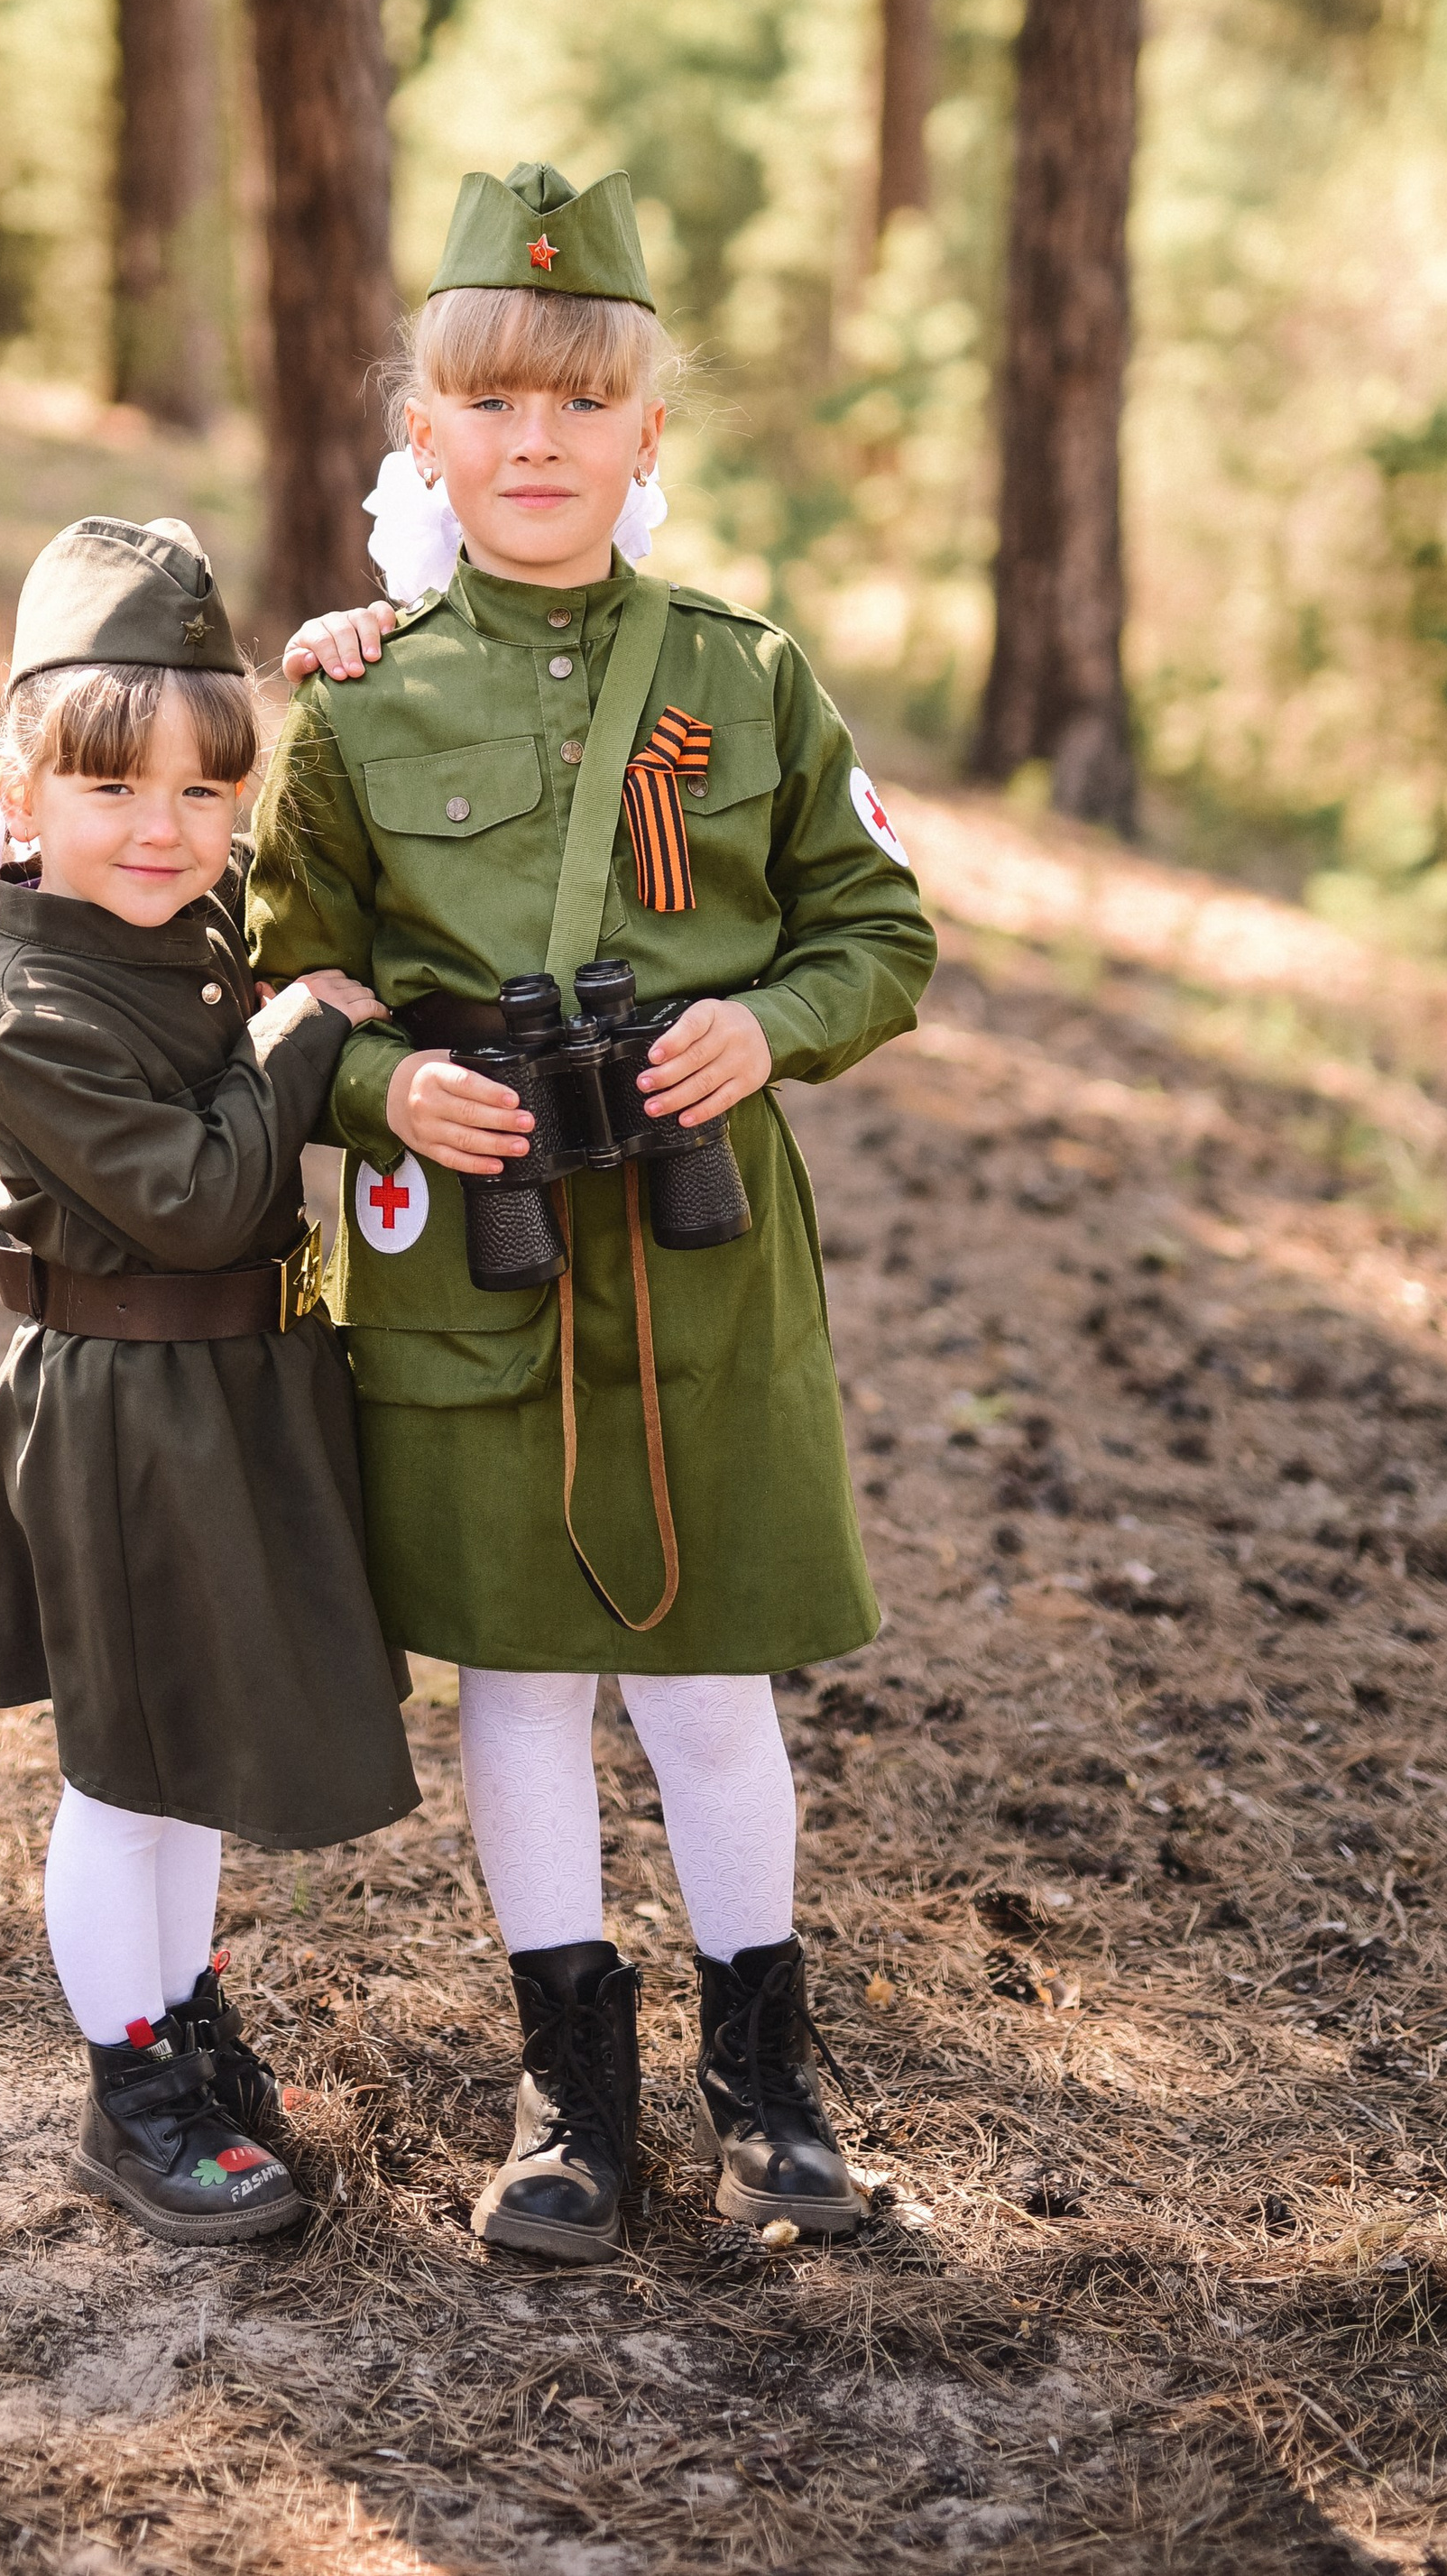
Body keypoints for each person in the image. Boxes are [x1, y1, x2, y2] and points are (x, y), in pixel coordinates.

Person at [251, 161, 936, 2263]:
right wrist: (385, 1079)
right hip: (467, 1256)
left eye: (577, 406)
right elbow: (276, 974)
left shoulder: (748, 675)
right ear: (423, 435)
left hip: (708, 1255)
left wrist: (771, 1028)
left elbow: (877, 928)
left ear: (647, 434)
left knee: (710, 1681)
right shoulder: (356, 703)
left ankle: (771, 2086)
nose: (532, 443)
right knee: (518, 1684)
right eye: (488, 404)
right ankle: (568, 2096)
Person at [0, 513, 419, 2247]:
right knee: (126, 1764)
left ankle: (183, 2015)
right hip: (126, 1412)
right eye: (118, 792)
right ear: (25, 794)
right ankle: (130, 2088)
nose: (166, 831)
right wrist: (301, 1034)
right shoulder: (30, 1001)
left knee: (191, 1744)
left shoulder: (186, 928)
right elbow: (202, 1193)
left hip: (234, 1394)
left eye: (207, 795)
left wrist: (357, 641)